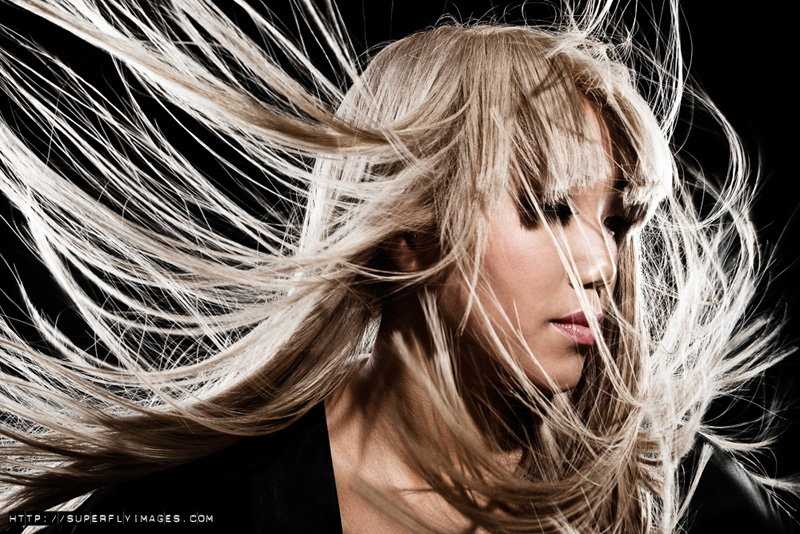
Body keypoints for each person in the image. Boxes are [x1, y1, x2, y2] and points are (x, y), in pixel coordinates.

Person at [0, 0, 796, 532]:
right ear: (409, 233)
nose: (600, 263)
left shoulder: (688, 504)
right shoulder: (202, 506)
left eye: (616, 221)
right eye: (550, 208)